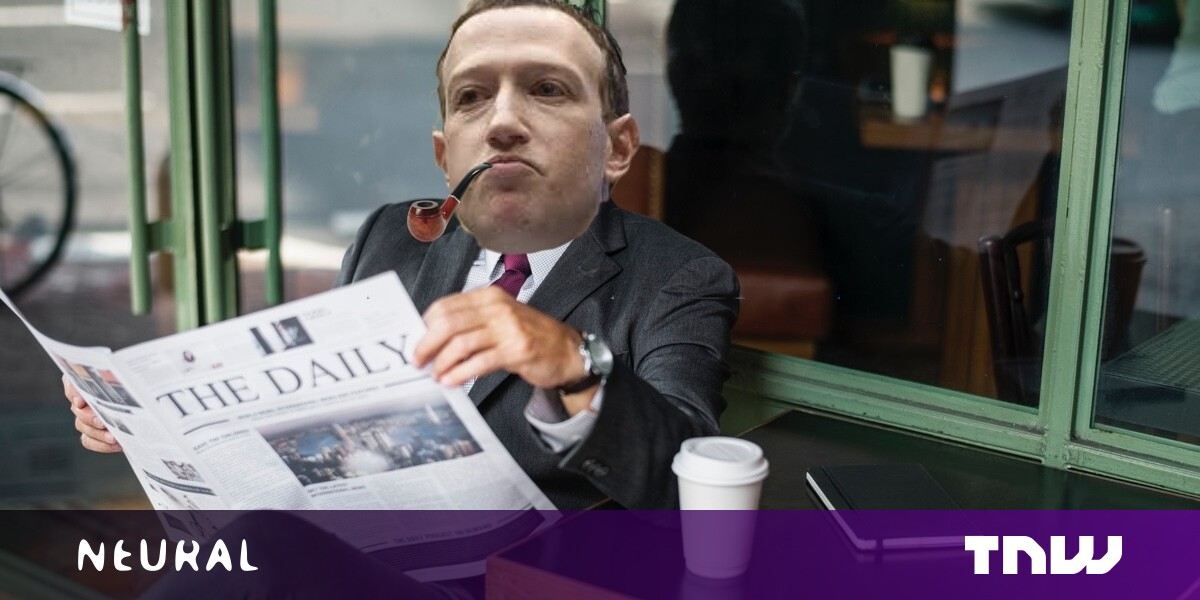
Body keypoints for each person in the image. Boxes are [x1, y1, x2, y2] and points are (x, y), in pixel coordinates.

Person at [65, 0, 738, 513]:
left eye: (547, 89)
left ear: (617, 148)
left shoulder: (677, 277)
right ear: (446, 156)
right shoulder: (389, 237)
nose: (502, 123)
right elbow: (311, 411)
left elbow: (689, 487)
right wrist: (156, 422)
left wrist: (571, 363)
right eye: (472, 98)